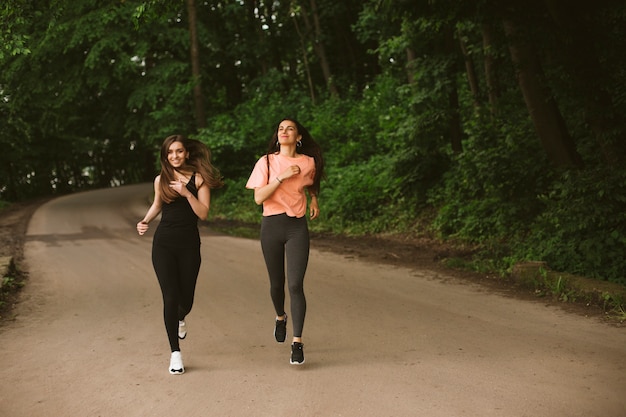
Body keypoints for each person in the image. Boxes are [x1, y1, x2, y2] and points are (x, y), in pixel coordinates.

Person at [137, 134, 223, 375]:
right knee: (170, 296)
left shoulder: (200, 179)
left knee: (186, 301)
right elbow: (157, 204)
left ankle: (181, 317)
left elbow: (203, 213)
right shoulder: (161, 179)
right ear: (165, 156)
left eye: (179, 151)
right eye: (170, 152)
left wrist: (187, 193)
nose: (174, 156)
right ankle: (175, 353)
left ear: (186, 153)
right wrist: (145, 220)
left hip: (189, 245)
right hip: (163, 243)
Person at [245, 118, 324, 365]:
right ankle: (280, 317)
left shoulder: (308, 162)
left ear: (298, 136)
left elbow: (312, 182)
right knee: (277, 285)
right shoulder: (266, 161)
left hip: (296, 227)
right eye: (280, 128)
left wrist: (313, 198)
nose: (284, 132)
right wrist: (281, 177)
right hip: (271, 226)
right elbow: (259, 197)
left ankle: (297, 342)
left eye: (290, 128)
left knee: (295, 285)